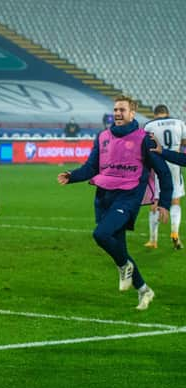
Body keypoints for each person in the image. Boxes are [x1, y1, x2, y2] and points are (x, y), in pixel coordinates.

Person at [57, 96, 172, 310]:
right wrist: (72, 176)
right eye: (115, 109)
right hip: (104, 196)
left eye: (122, 109)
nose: (118, 113)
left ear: (132, 113)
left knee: (101, 234)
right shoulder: (102, 137)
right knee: (120, 248)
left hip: (128, 196)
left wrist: (164, 202)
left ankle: (124, 266)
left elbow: (163, 172)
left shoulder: (144, 139)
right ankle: (144, 290)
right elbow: (91, 168)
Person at [143, 104, 186, 249]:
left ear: (155, 114)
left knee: (155, 201)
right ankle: (175, 234)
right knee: (175, 201)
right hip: (175, 163)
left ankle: (153, 240)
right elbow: (184, 142)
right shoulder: (179, 123)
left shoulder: (149, 126)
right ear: (167, 113)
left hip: (157, 165)